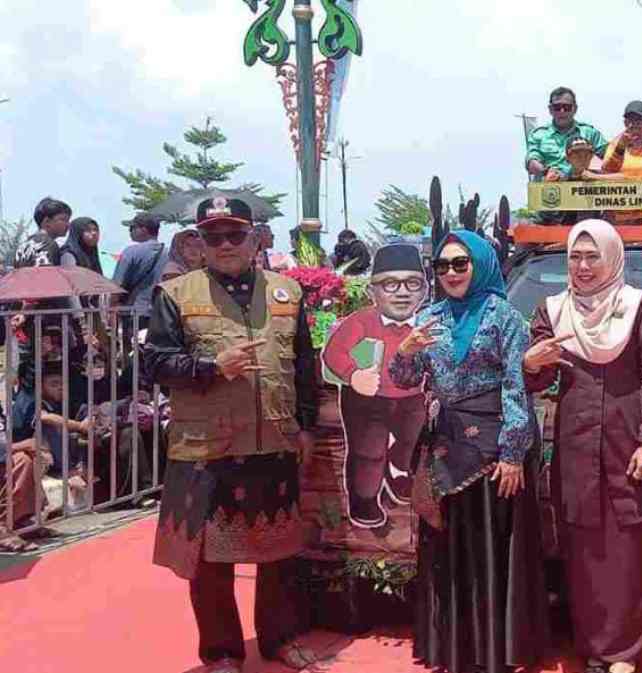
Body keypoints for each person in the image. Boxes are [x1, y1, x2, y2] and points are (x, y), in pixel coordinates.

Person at [146, 196, 320, 673]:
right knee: (209, 561)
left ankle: (280, 637)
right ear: (199, 243)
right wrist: (209, 366)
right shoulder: (175, 294)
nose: (225, 244)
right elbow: (155, 363)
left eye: (235, 234)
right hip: (207, 447)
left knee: (280, 550)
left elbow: (305, 366)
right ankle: (222, 652)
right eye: (213, 236)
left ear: (255, 239)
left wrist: (305, 425)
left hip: (274, 438)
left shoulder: (287, 293)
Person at [389, 230, 548, 673]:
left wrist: (513, 454)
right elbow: (405, 379)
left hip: (494, 449)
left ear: (480, 265)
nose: (451, 273)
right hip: (446, 445)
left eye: (461, 263)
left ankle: (493, 651)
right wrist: (405, 351)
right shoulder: (430, 316)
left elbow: (517, 387)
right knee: (449, 547)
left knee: (489, 549)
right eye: (442, 265)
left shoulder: (504, 317)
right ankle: (453, 648)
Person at [522, 220, 642, 673]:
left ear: (612, 258)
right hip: (577, 445)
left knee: (629, 549)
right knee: (582, 548)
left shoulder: (637, 306)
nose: (583, 267)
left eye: (592, 257)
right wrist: (531, 364)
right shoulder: (552, 310)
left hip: (628, 442)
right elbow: (539, 381)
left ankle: (625, 652)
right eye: (575, 257)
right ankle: (592, 645)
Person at [321, 244, 428, 527]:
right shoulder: (361, 321)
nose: (402, 292)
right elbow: (333, 353)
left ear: (424, 290)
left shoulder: (427, 323)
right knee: (369, 452)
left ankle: (397, 471)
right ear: (372, 291)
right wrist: (353, 375)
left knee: (413, 442)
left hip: (413, 397)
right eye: (390, 284)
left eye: (412, 283)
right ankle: (365, 499)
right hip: (367, 399)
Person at [596, 101, 642, 225]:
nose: (634, 124)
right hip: (620, 215)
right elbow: (607, 172)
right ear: (625, 123)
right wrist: (620, 148)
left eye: (639, 120)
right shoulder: (614, 146)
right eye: (630, 120)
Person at [525, 86, 609, 181]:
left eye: (566, 107)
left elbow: (609, 157)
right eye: (557, 107)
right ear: (550, 109)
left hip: (583, 187)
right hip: (549, 187)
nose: (562, 111)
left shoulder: (590, 133)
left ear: (575, 109)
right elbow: (531, 161)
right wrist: (546, 171)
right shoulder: (538, 135)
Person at [113, 214, 169, 347]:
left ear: (143, 229)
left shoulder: (131, 252)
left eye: (132, 228)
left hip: (135, 312)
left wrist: (112, 307)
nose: (130, 232)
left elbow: (116, 286)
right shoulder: (169, 253)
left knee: (133, 352)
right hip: (162, 313)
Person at [15, 197, 71, 268]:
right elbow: (45, 273)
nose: (68, 224)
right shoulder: (47, 244)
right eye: (63, 220)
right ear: (47, 221)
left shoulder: (24, 244)